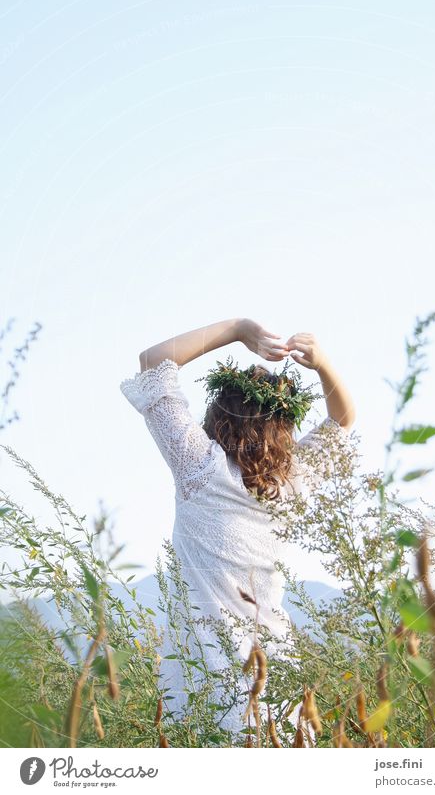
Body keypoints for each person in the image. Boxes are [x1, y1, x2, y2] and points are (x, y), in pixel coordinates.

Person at [119, 317, 356, 742]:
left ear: (217, 416)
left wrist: (237, 329)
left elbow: (153, 362)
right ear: (284, 428)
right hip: (276, 680)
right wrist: (322, 366)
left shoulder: (199, 464)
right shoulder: (292, 484)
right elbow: (342, 421)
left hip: (202, 683)